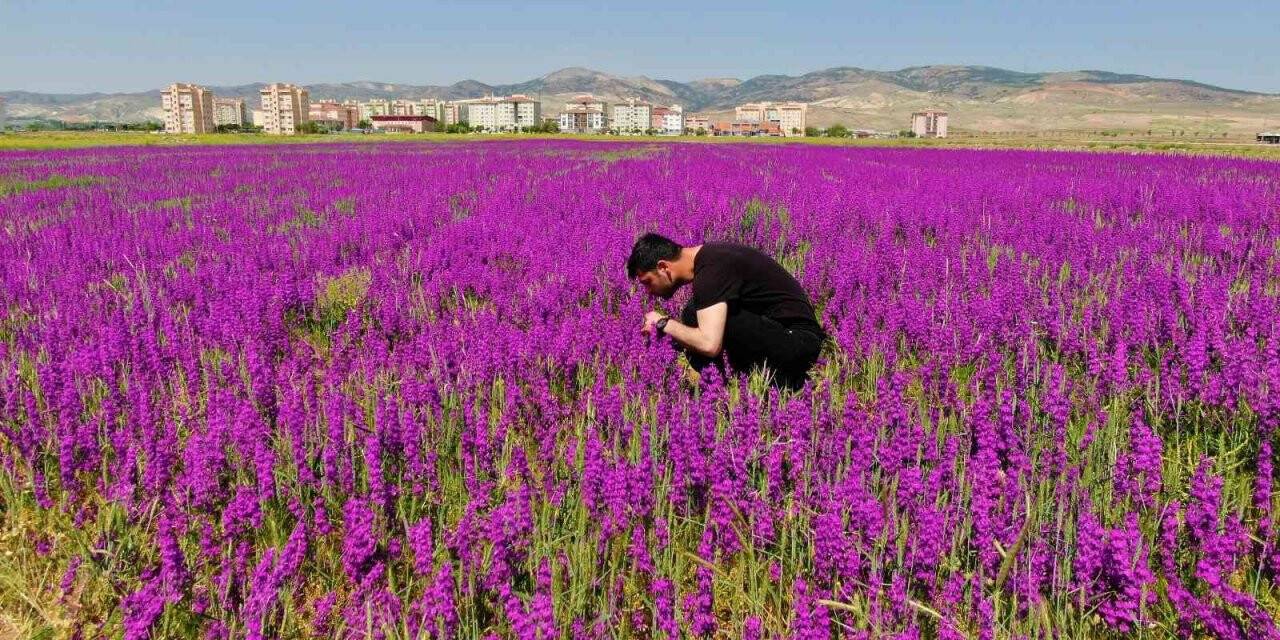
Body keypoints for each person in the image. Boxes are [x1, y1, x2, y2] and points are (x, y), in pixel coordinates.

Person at [626, 232, 826, 390]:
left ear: (663, 267)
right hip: (782, 334)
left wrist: (664, 323)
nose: (649, 292)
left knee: (697, 321)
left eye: (647, 282)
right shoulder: (711, 258)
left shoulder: (711, 271)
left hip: (799, 342)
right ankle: (739, 384)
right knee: (693, 313)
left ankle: (786, 381)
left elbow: (709, 344)